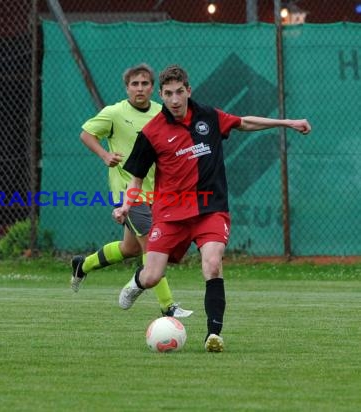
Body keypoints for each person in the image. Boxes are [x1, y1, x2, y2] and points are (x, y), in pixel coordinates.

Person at [114, 64, 311, 352]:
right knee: (152, 275)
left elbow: (244, 122)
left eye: (179, 92)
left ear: (188, 90)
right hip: (171, 213)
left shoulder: (208, 115)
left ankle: (213, 334)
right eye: (168, 94)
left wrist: (287, 122)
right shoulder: (152, 132)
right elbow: (136, 178)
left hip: (210, 208)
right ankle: (137, 282)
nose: (175, 99)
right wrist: (126, 205)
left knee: (213, 263)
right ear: (162, 95)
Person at [71, 63, 192, 318]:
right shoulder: (114, 113)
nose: (140, 88)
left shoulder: (162, 113)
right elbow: (86, 134)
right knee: (153, 246)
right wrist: (105, 155)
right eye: (134, 84)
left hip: (157, 193)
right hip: (128, 192)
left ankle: (83, 265)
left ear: (153, 89)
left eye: (145, 83)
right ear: (127, 88)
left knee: (130, 249)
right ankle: (167, 307)